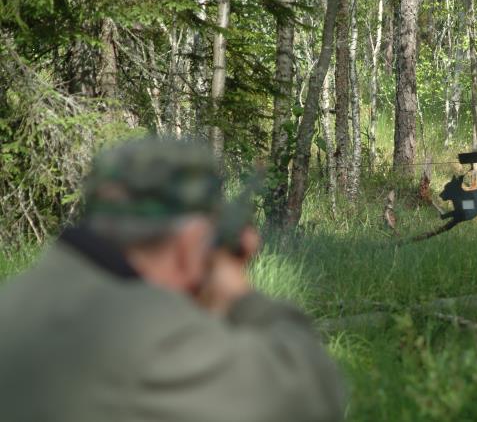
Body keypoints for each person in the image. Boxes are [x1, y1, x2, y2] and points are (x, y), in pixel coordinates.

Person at [0, 138, 345, 422]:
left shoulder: (16, 299)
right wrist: (232, 287)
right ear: (190, 242)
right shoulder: (149, 330)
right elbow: (310, 395)